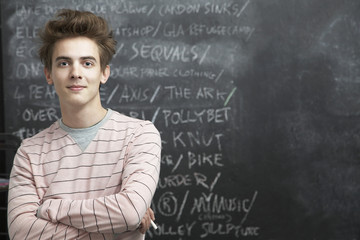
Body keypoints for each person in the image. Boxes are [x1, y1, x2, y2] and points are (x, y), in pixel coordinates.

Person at [7, 9, 161, 240]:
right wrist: (116, 224)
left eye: (87, 63)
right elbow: (22, 233)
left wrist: (49, 208)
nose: (76, 73)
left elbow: (129, 212)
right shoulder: (29, 152)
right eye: (63, 63)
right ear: (49, 74)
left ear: (104, 73)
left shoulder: (140, 135)